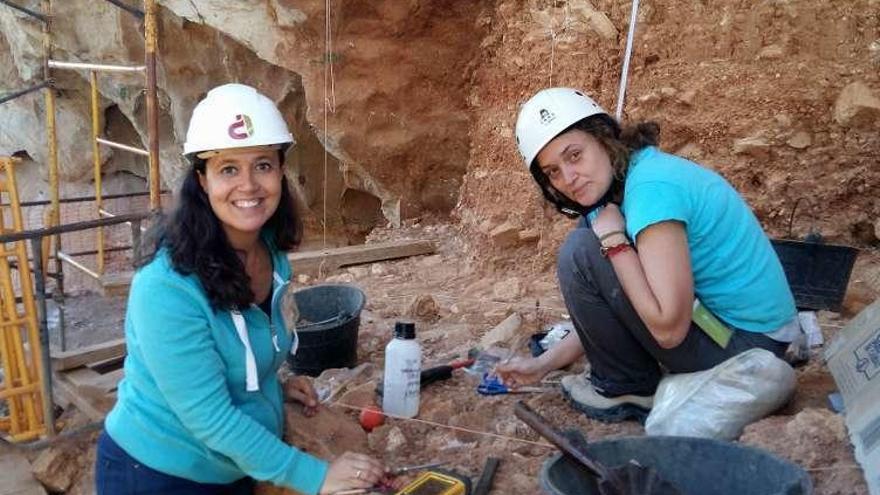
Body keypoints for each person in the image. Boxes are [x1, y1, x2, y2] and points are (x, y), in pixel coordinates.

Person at [95, 84, 385, 494]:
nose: (249, 185)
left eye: (262, 165)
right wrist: (316, 477)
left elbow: (247, 348)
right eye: (228, 168)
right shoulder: (166, 287)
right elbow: (209, 416)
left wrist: (269, 388)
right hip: (156, 474)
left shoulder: (269, 252)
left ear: (280, 171)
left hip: (234, 468)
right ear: (202, 180)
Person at [497, 88, 799, 422]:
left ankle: (627, 387)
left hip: (748, 352)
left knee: (581, 252)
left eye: (574, 156)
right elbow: (614, 304)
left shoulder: (650, 192)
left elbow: (669, 329)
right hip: (740, 331)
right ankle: (630, 378)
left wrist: (614, 241)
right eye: (553, 171)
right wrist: (543, 364)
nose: (568, 179)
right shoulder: (633, 179)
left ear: (603, 138)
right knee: (590, 235)